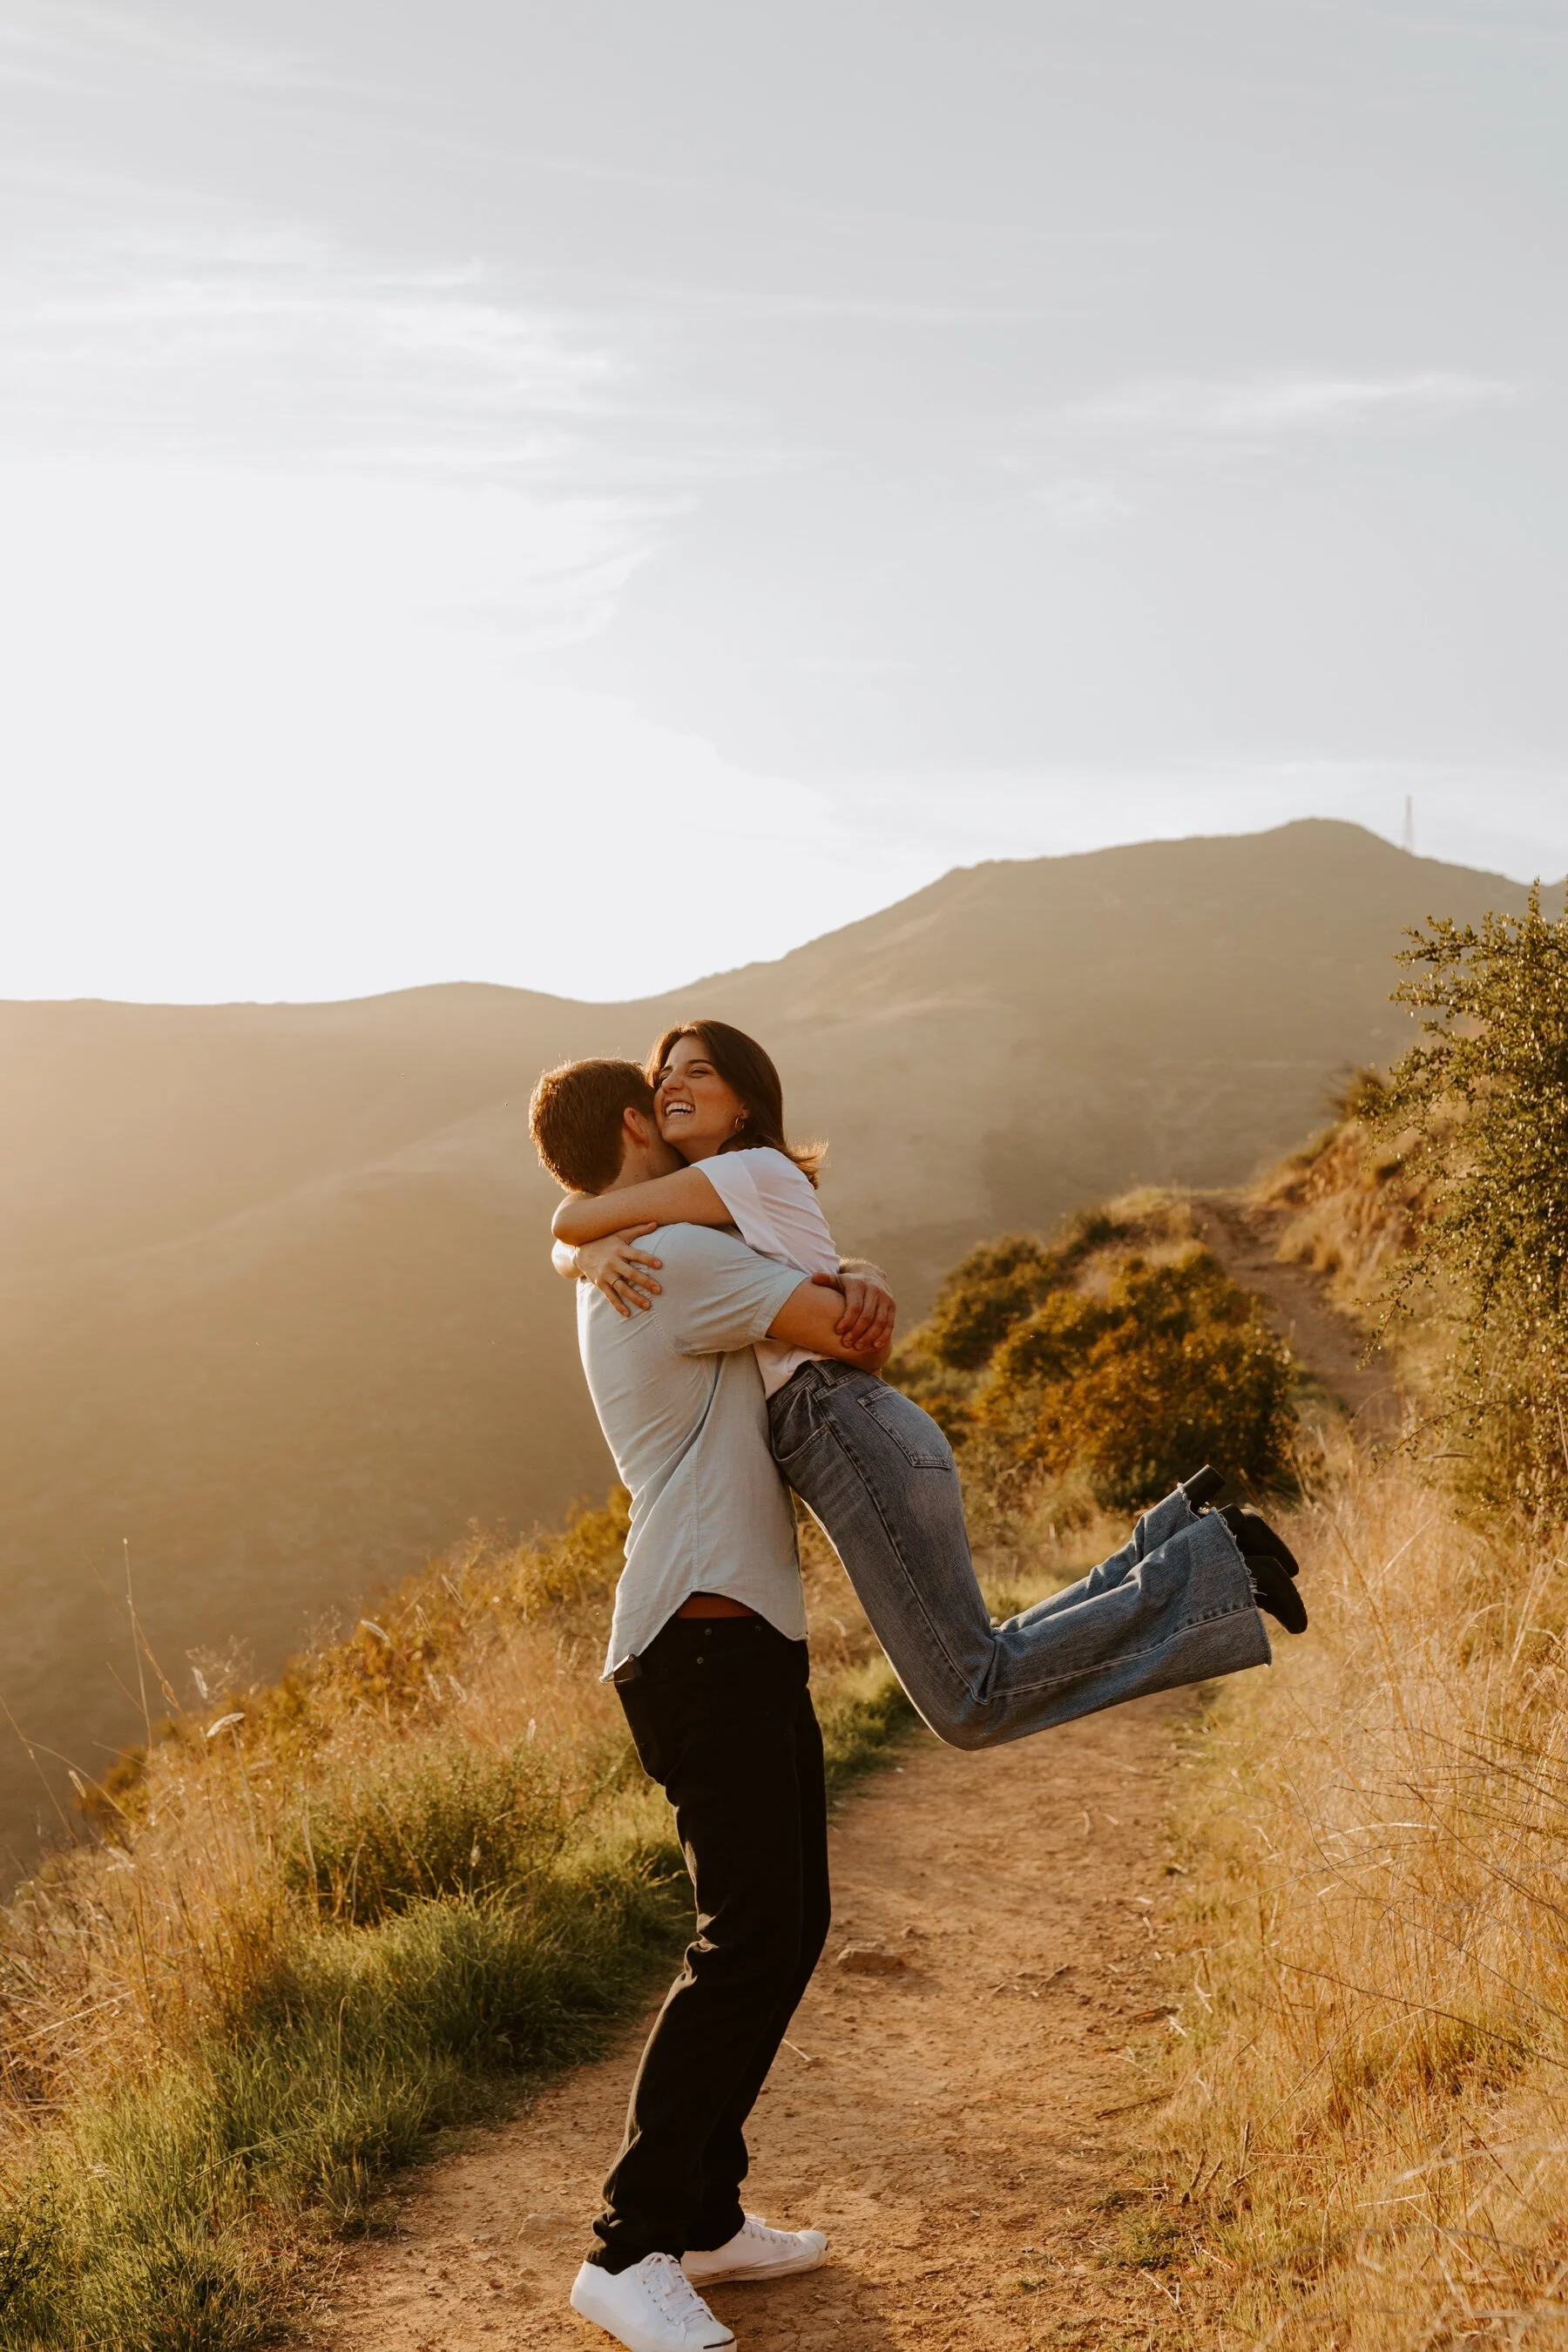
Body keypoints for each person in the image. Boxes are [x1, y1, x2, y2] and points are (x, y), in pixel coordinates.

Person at [548, 1020, 1305, 1761]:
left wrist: (579, 1245)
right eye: (664, 1075)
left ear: (743, 1103)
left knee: (968, 1699)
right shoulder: (724, 1204)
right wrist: (580, 1256)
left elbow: (577, 1216)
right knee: (982, 1660)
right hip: (854, 1423)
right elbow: (596, 1236)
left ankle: (1212, 1570)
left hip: (837, 1423)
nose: (672, 1085)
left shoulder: (742, 1174)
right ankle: (1180, 1542)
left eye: (698, 1071)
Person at [528, 1054, 909, 2352]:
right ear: (641, 1128)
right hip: (704, 1644)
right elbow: (845, 1332)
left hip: (728, 1638)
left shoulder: (634, 1254)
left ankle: (703, 2217)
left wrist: (580, 1246)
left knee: (783, 1928)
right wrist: (848, 1284)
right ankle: (628, 2247)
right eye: (665, 1094)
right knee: (748, 1939)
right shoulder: (675, 1264)